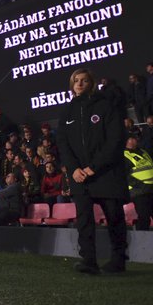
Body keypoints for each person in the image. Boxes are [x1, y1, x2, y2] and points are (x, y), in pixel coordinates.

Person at [56, 67, 128, 275]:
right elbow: (63, 144)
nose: (79, 83)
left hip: (106, 174)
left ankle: (118, 260)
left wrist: (93, 167)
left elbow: (115, 140)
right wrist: (74, 169)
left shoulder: (105, 106)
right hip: (80, 175)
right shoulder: (67, 111)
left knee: (114, 218)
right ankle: (88, 260)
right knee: (84, 220)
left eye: (84, 80)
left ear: (91, 83)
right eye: (75, 80)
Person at [123, 136, 153, 231]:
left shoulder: (144, 152)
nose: (134, 140)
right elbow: (124, 175)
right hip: (140, 192)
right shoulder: (123, 155)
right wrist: (140, 185)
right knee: (144, 219)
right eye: (130, 139)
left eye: (135, 138)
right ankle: (142, 243)